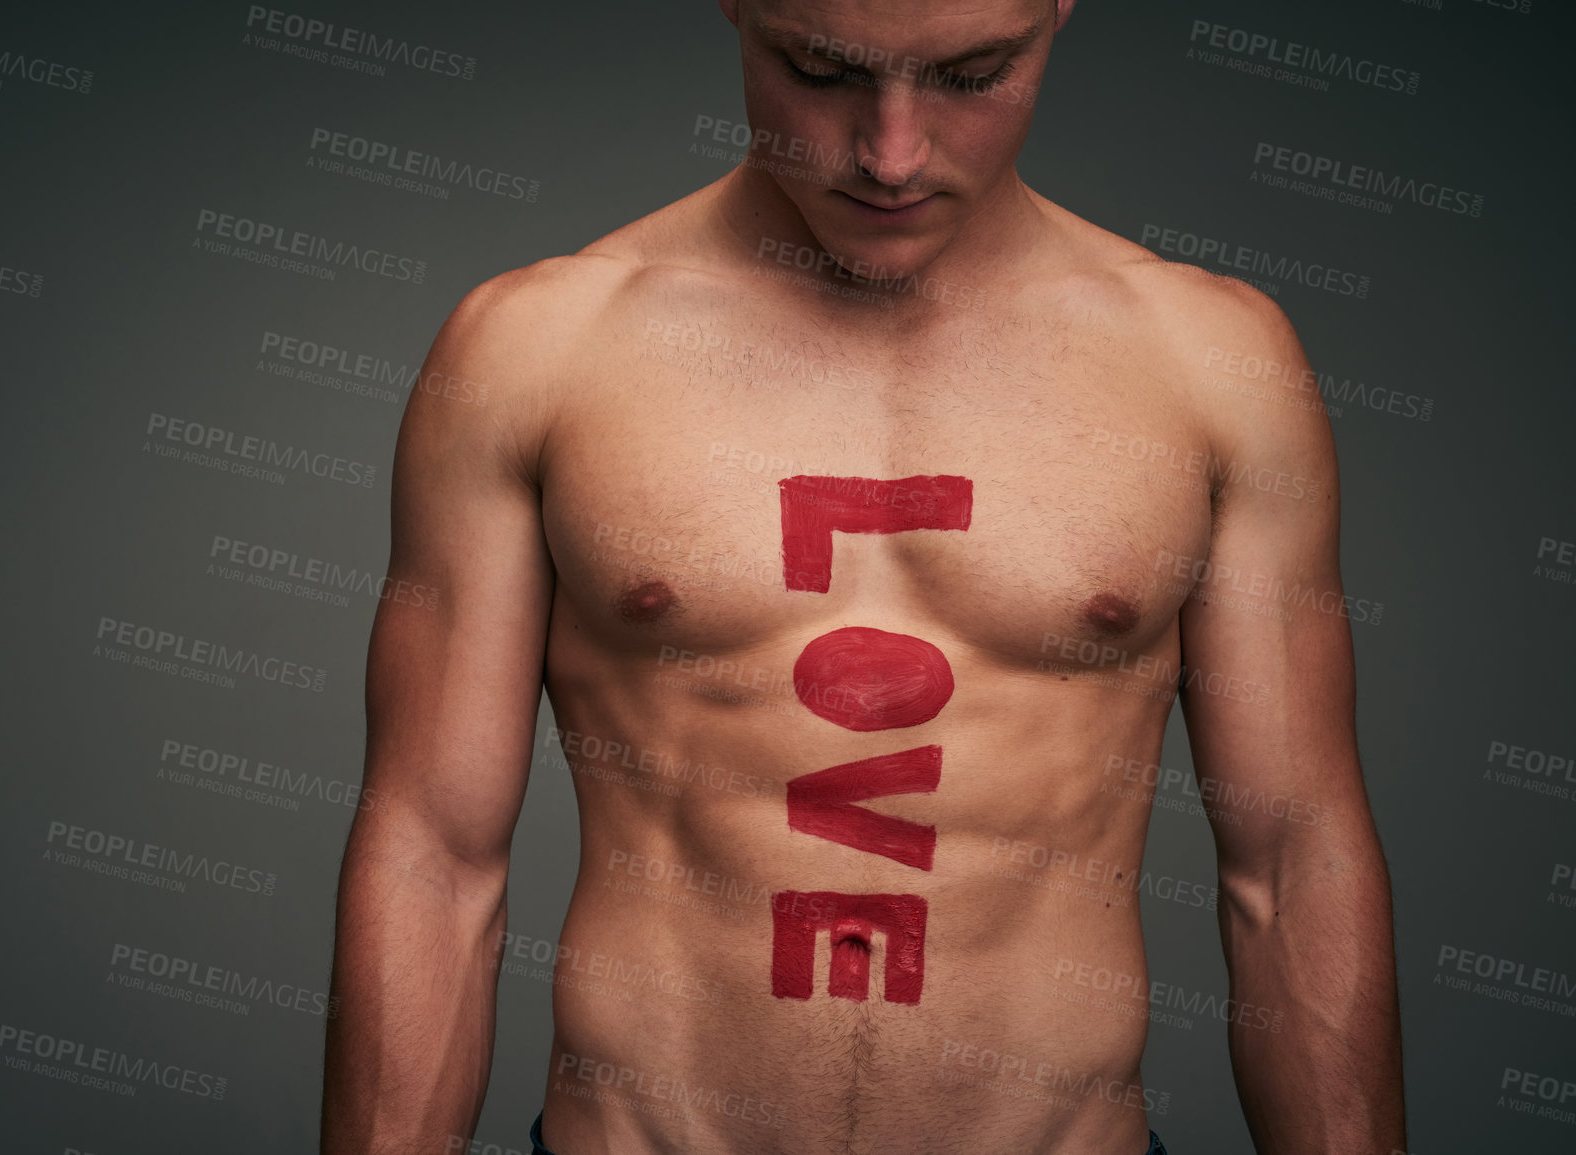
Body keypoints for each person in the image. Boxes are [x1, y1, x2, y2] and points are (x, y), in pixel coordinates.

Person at [320, 1, 1407, 1152]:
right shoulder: (535, 351)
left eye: (971, 75)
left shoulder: (1211, 364)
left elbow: (1291, 867)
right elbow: (433, 858)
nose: (891, 154)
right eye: (822, 72)